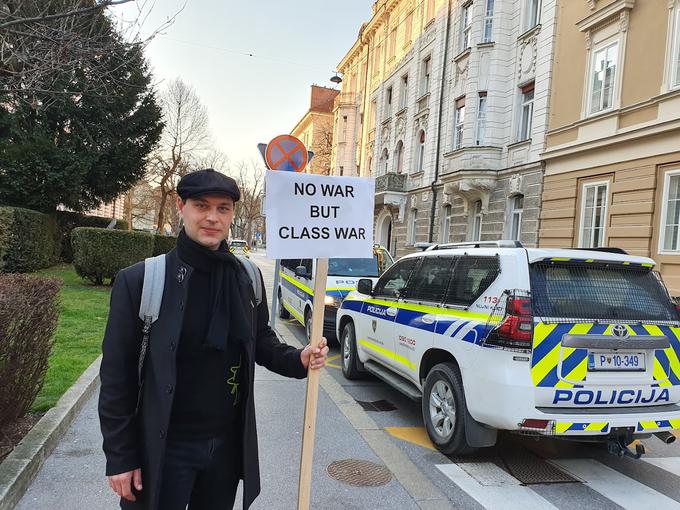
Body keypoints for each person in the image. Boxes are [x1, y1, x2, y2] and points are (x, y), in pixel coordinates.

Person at [98, 168, 329, 510]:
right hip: (163, 449)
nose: (212, 217)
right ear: (181, 207)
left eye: (223, 208)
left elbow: (261, 341)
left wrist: (299, 359)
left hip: (224, 449)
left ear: (232, 214)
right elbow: (116, 377)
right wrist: (119, 456)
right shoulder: (141, 281)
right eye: (201, 205)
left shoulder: (245, 277)